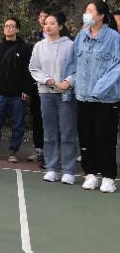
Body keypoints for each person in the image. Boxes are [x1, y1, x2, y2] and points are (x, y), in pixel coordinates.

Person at [65, 0, 119, 193]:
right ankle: (90, 174)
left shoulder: (114, 37)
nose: (86, 14)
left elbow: (117, 67)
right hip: (83, 96)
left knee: (105, 138)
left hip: (106, 98)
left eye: (90, 10)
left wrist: (99, 88)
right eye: (86, 10)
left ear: (101, 15)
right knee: (86, 137)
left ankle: (108, 177)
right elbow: (72, 63)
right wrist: (68, 85)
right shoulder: (81, 36)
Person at [28, 13, 77, 184]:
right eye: (46, 23)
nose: (48, 26)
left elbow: (77, 68)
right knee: (49, 133)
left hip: (65, 94)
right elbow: (33, 67)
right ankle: (52, 168)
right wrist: (47, 80)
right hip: (46, 93)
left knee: (67, 132)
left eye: (52, 23)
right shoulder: (39, 46)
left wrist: (67, 82)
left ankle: (68, 170)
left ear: (60, 26)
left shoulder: (70, 45)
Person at [0, 18, 33, 163]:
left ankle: (13, 151)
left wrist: (26, 90)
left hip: (18, 94)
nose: (8, 28)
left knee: (18, 124)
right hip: (0, 92)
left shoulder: (25, 48)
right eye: (6, 26)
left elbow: (28, 70)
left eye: (12, 26)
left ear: (17, 29)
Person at [26, 8, 49, 164]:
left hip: (53, 85)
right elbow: (29, 59)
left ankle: (52, 152)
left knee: (51, 119)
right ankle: (39, 149)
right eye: (40, 16)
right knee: (37, 117)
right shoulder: (34, 36)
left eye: (45, 16)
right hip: (36, 84)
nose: (42, 19)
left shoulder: (63, 39)